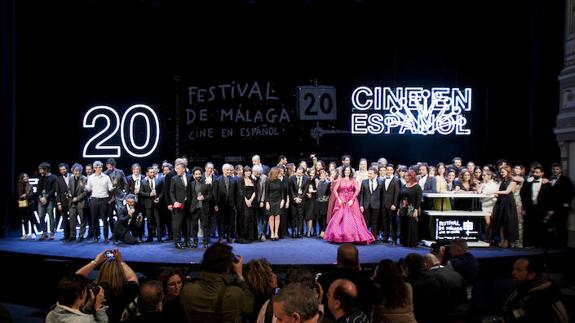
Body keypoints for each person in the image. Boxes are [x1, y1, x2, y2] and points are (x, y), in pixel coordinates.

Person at [180, 243, 254, 322]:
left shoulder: (187, 290)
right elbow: (249, 307)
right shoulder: (234, 294)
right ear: (228, 268)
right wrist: (240, 276)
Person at [76, 249, 139, 323]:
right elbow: (133, 278)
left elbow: (75, 279)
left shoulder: (92, 290)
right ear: (121, 273)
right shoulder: (128, 290)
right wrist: (121, 262)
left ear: (101, 271)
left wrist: (96, 262)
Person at [502, 257, 569, 323]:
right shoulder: (523, 285)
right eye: (513, 269)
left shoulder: (544, 294)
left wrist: (508, 316)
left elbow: (525, 314)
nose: (513, 273)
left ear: (531, 274)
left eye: (519, 270)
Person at [323, 166, 374, 244]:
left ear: (351, 172)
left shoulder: (353, 180)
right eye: (346, 170)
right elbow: (335, 190)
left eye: (348, 170)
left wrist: (352, 200)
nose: (347, 171)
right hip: (341, 200)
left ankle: (353, 237)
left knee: (353, 219)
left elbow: (357, 190)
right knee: (340, 218)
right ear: (343, 171)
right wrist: (338, 199)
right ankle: (340, 237)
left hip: (351, 200)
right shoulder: (340, 179)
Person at [491, 165, 519, 248]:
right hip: (501, 203)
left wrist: (495, 192)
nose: (501, 173)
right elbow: (500, 191)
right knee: (501, 222)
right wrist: (497, 194)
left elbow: (507, 192)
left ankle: (508, 240)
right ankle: (502, 240)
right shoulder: (502, 181)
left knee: (508, 222)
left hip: (508, 203)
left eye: (503, 172)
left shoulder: (513, 182)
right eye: (501, 172)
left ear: (508, 172)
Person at [399, 169, 422, 247]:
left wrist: (416, 210)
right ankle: (404, 242)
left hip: (412, 209)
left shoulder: (417, 187)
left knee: (411, 226)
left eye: (407, 176)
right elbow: (401, 198)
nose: (406, 177)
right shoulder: (404, 185)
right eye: (405, 176)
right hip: (404, 208)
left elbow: (418, 200)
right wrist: (399, 208)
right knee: (404, 225)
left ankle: (411, 243)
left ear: (412, 176)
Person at [265, 167, 286, 241]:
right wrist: (267, 203)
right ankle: (272, 233)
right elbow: (266, 193)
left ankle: (276, 233)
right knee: (271, 217)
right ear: (274, 173)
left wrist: (283, 200)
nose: (280, 173)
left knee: (277, 217)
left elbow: (282, 192)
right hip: (270, 200)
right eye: (278, 172)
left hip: (278, 200)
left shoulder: (279, 181)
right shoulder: (268, 181)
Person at [16, 172, 37, 239]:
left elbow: (31, 195)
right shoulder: (19, 186)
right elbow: (19, 195)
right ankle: (25, 234)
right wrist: (24, 195)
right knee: (24, 220)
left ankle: (33, 233)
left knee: (32, 219)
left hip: (30, 204)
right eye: (24, 177)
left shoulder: (30, 185)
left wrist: (25, 195)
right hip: (22, 205)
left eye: (27, 176)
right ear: (22, 178)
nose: (26, 177)